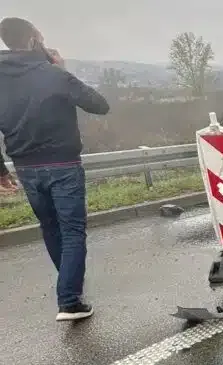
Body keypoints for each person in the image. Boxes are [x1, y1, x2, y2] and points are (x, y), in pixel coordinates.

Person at [0, 17, 110, 321]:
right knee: (73, 230)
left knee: (50, 227)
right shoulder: (52, 74)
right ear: (34, 40)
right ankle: (70, 300)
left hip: (25, 167)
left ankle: (69, 281)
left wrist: (1, 172)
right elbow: (99, 104)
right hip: (63, 164)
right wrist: (62, 71)